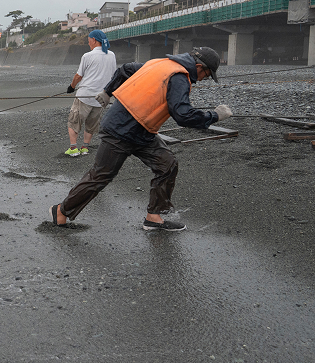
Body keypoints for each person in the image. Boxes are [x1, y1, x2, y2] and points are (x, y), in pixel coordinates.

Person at [48, 46, 232, 232]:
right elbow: (183, 115)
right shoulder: (179, 77)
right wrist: (214, 116)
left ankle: (154, 217)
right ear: (200, 66)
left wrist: (108, 91)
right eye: (207, 75)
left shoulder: (159, 63)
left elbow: (126, 69)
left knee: (167, 164)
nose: (204, 79)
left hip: (143, 131)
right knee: (101, 176)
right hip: (120, 129)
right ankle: (61, 211)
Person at [65, 29, 117, 157]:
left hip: (85, 95)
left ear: (94, 40)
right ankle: (85, 148)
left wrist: (71, 87)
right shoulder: (111, 55)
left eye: (89, 41)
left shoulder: (87, 56)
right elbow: (113, 75)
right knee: (92, 123)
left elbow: (78, 76)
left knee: (74, 120)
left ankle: (73, 148)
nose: (89, 44)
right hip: (102, 97)